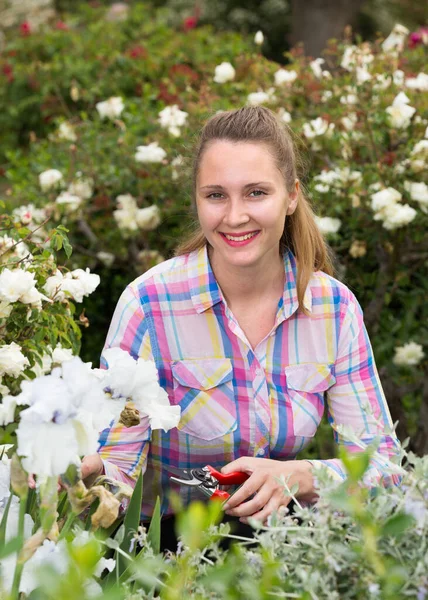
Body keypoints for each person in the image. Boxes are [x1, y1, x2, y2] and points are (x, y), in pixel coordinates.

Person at [81, 106, 401, 536]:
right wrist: (84, 474)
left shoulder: (333, 308)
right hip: (164, 552)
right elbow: (117, 463)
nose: (234, 216)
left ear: (290, 197)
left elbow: (384, 468)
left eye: (255, 193)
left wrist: (302, 476)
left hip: (285, 545)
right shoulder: (149, 304)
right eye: (216, 195)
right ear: (197, 200)